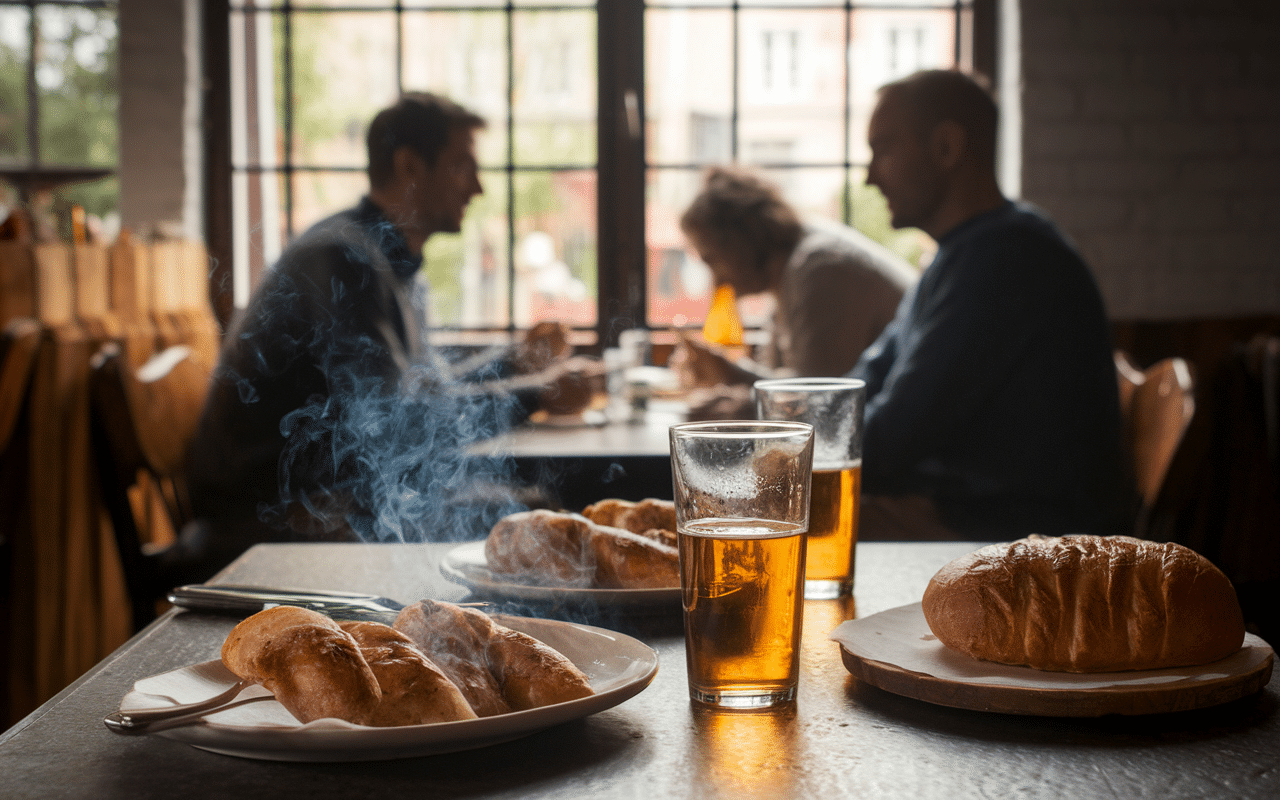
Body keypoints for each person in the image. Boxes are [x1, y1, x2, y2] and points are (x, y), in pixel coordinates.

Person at [169, 92, 596, 583]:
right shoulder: (344, 262)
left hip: (332, 497)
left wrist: (518, 363)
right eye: (462, 167)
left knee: (535, 513)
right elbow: (397, 426)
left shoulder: (384, 260)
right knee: (535, 526)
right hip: (273, 518)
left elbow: (420, 396)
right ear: (410, 165)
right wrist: (540, 392)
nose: (477, 188)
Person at [850, 69, 1130, 540]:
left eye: (883, 149)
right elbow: (861, 388)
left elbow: (886, 445)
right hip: (967, 516)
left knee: (778, 519)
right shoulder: (961, 256)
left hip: (1015, 536)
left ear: (946, 147)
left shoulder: (1007, 258)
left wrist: (771, 446)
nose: (869, 176)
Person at [669, 166, 917, 419]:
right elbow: (798, 386)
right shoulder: (793, 270)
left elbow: (819, 405)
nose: (716, 280)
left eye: (712, 259)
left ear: (738, 242)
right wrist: (728, 371)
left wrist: (740, 406)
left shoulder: (821, 271)